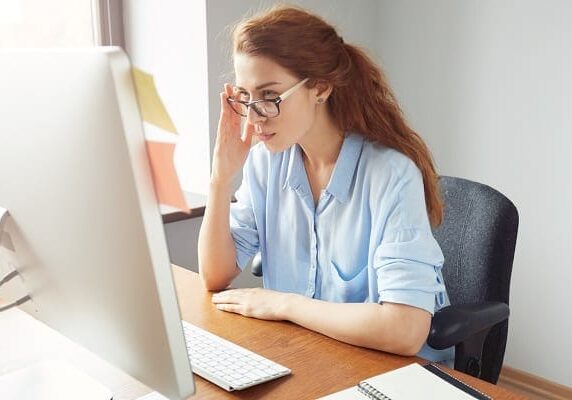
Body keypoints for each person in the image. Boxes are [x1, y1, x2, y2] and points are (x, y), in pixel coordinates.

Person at [198, 5, 453, 363]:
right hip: (310, 357)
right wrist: (220, 178)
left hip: (391, 371)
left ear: (320, 88)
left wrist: (285, 304)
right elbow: (214, 275)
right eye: (245, 98)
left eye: (270, 98)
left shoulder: (390, 175)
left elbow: (406, 330)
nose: (254, 118)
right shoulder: (265, 162)